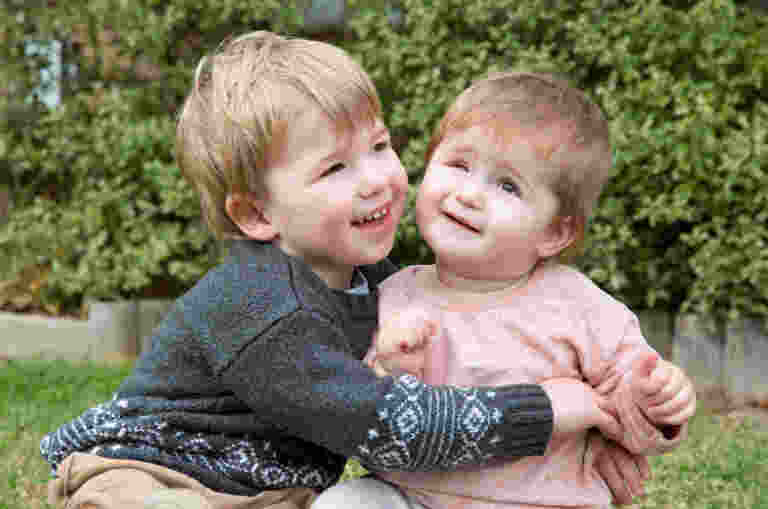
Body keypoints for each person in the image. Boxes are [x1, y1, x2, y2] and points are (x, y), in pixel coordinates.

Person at [39, 35, 647, 509]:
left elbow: (462, 367)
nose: (377, 179)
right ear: (256, 213)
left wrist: (586, 447)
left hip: (272, 495)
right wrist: (549, 412)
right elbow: (392, 427)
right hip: (151, 475)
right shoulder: (262, 303)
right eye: (335, 169)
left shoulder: (372, 278)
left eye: (379, 147)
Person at [313, 71, 696, 509]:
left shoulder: (578, 305)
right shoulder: (395, 292)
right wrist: (390, 364)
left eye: (507, 186)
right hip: (409, 496)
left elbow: (624, 412)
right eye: (459, 165)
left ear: (554, 232)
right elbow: (363, 415)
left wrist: (653, 403)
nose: (470, 194)